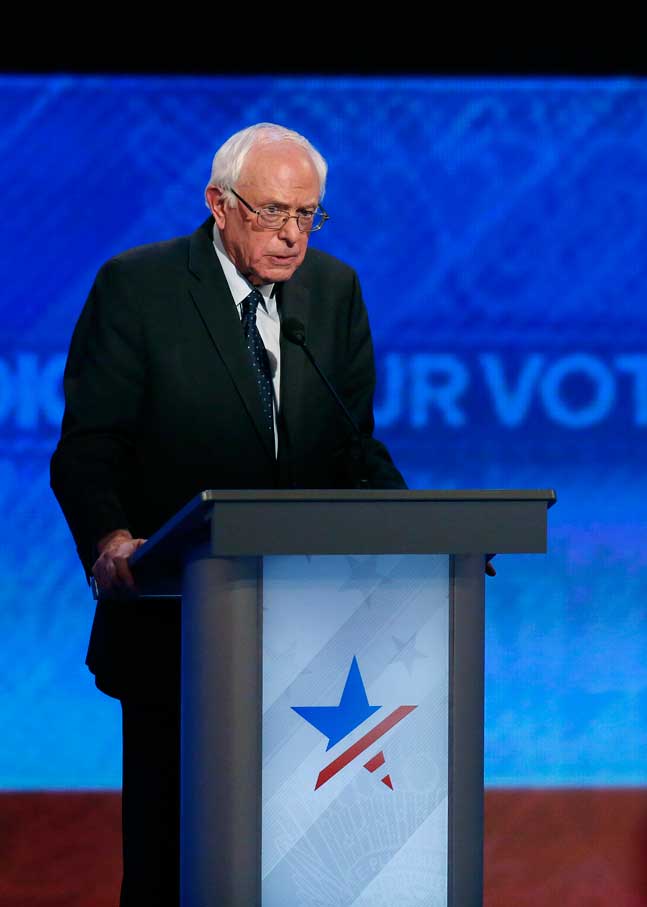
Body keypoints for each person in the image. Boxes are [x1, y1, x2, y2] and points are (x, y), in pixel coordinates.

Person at [50, 123, 407, 904]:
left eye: (308, 215)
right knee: (173, 867)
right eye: (273, 212)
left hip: (312, 633)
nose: (292, 235)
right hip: (179, 628)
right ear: (219, 204)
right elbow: (87, 446)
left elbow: (354, 448)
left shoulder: (334, 291)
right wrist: (111, 539)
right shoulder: (138, 288)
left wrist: (417, 537)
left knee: (300, 870)